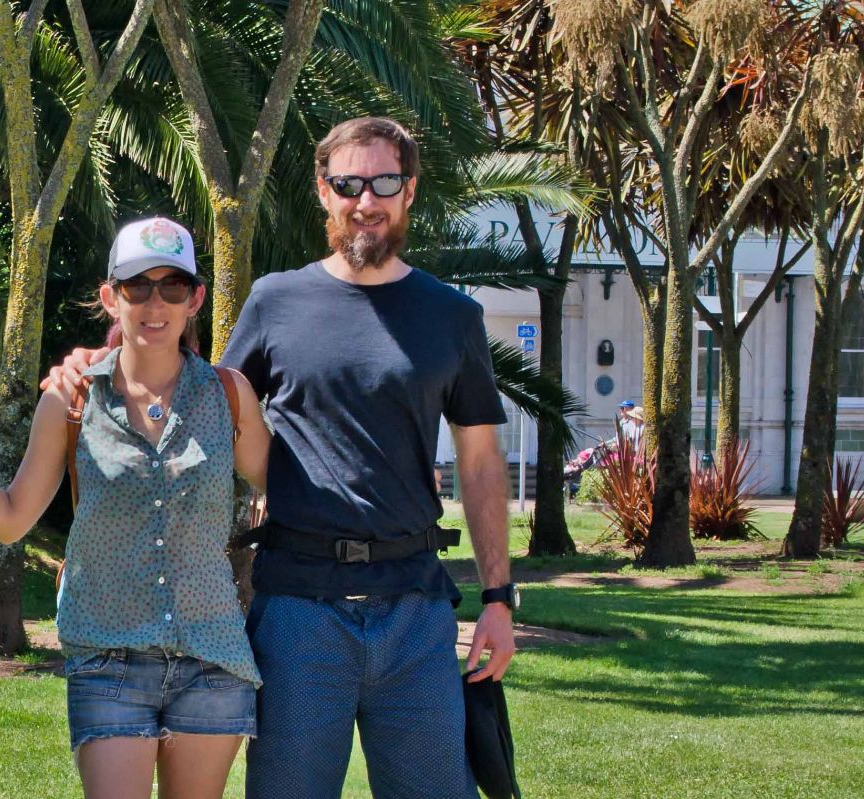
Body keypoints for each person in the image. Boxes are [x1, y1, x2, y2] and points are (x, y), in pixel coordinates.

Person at [46, 117, 517, 798]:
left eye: (384, 181)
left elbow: (479, 462)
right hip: (298, 608)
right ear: (322, 192)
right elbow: (197, 397)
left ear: (409, 190)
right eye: (348, 182)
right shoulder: (276, 301)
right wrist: (98, 361)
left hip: (415, 607)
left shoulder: (453, 315)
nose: (366, 199)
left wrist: (499, 599)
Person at [0, 217, 272, 799]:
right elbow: (11, 517)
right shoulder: (71, 400)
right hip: (108, 656)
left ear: (195, 298)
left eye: (171, 286)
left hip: (212, 655)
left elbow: (285, 484)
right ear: (110, 297)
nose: (153, 302)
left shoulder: (228, 394)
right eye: (137, 286)